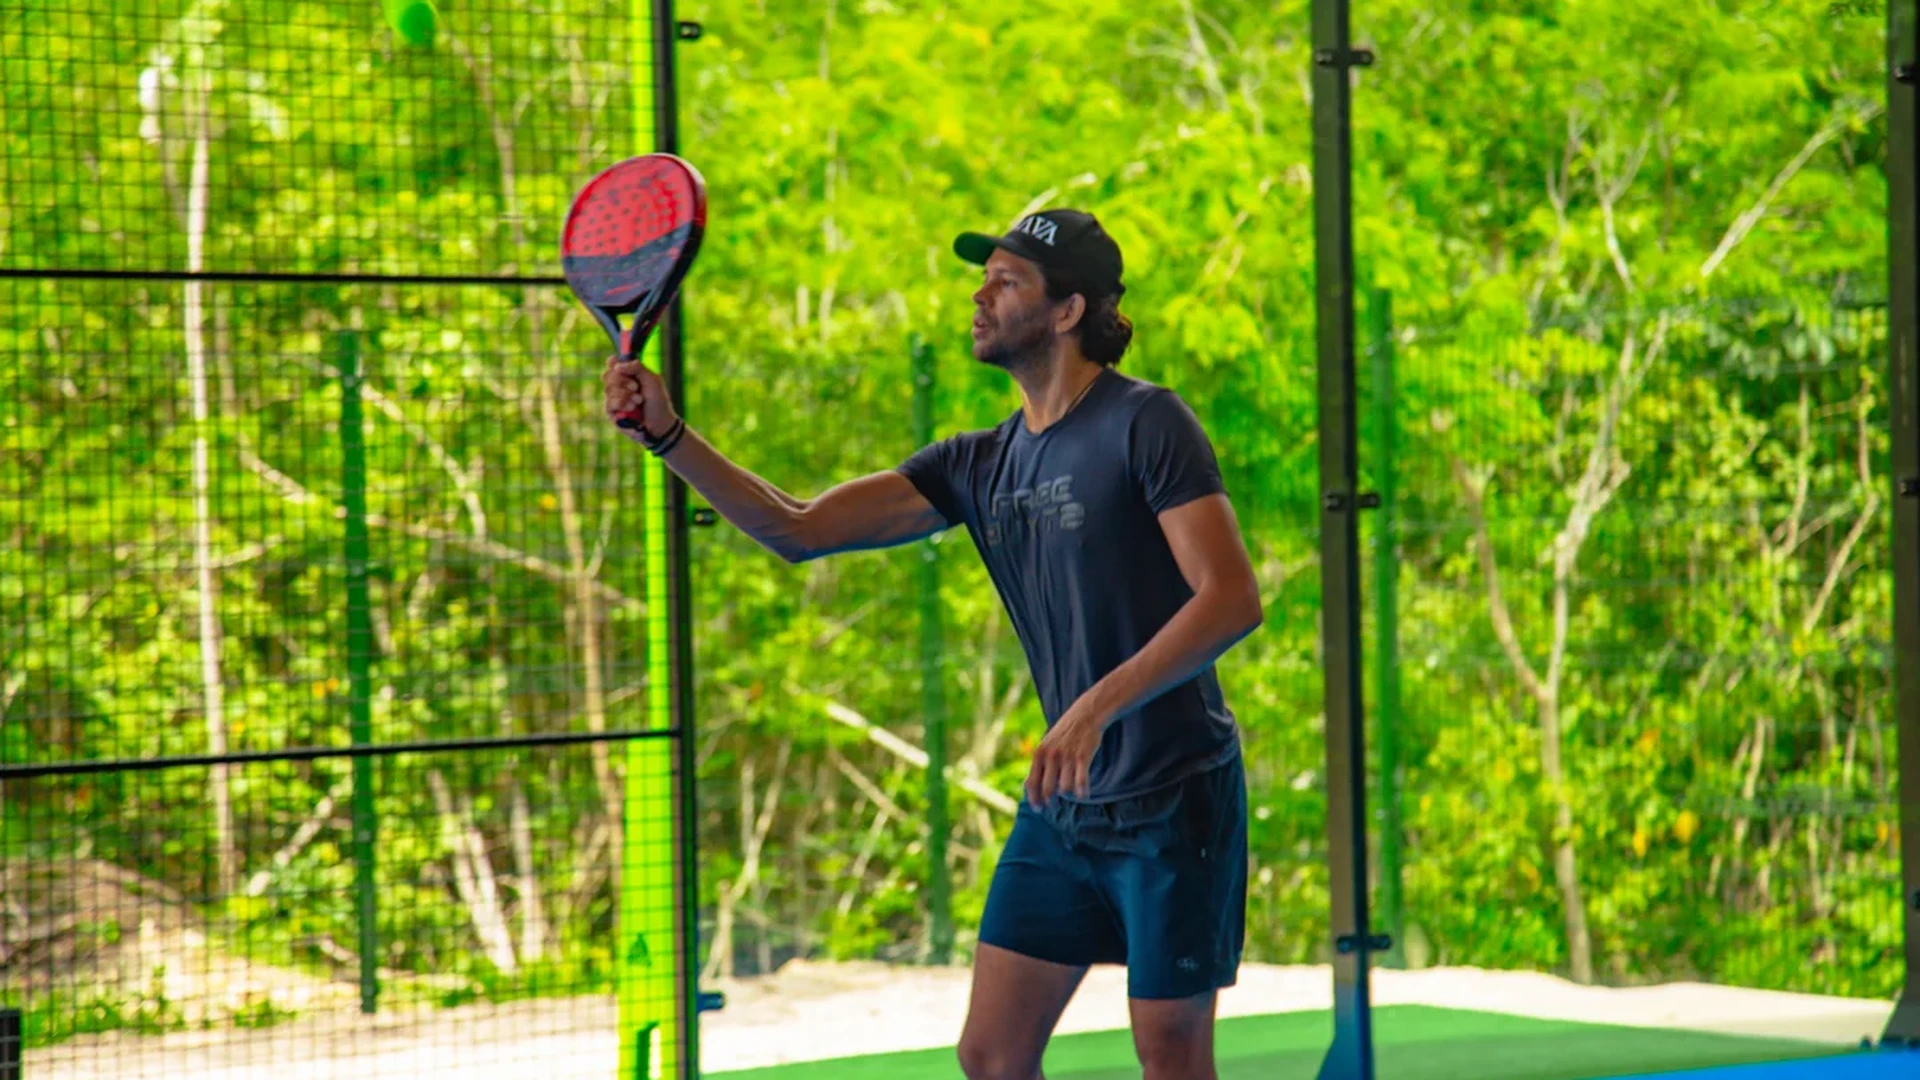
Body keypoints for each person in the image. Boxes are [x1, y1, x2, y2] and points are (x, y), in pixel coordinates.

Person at [603, 208, 1263, 1080]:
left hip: (1172, 796)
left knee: (1171, 1058)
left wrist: (1094, 708)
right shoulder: (977, 464)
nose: (981, 295)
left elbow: (1231, 600)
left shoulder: (1148, 423)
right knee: (989, 1057)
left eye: (1008, 280)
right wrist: (669, 436)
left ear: (1067, 312)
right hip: (1062, 806)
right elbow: (798, 528)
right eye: (983, 276)